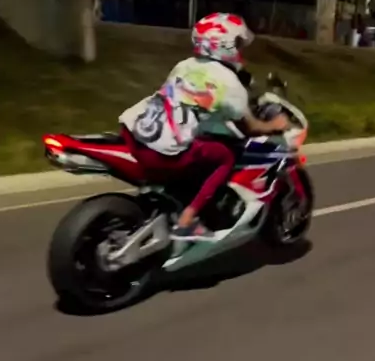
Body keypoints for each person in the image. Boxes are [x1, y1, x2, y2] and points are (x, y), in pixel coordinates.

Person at [119, 13, 289, 241]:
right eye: (238, 43)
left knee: (197, 148)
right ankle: (188, 219)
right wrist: (274, 124)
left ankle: (174, 199)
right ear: (226, 45)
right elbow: (250, 128)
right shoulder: (229, 83)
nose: (241, 50)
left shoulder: (184, 66)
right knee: (226, 157)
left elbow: (184, 101)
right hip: (162, 150)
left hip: (136, 130)